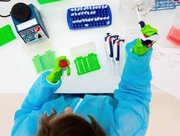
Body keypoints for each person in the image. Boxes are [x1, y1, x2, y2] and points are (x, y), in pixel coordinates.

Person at [11, 23, 158, 136]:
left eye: (55, 117)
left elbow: (29, 109)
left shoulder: (25, 132)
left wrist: (48, 83)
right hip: (108, 96)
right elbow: (134, 94)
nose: (67, 108)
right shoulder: (126, 129)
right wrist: (138, 57)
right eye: (75, 117)